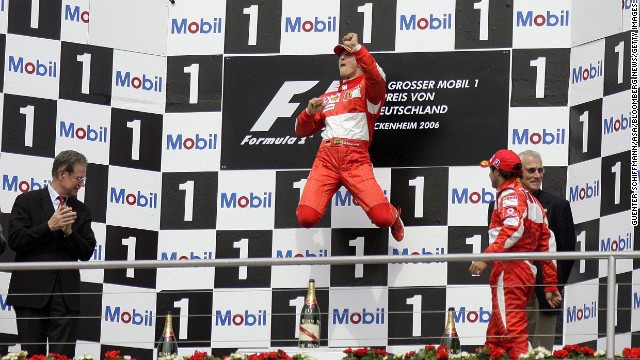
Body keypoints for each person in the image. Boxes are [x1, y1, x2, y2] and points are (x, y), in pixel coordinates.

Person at [294, 33, 404, 241]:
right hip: (325, 160)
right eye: (340, 56)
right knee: (306, 218)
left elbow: (377, 77)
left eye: (348, 55)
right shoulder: (327, 97)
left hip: (355, 159)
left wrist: (359, 49)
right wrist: (308, 112)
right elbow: (301, 131)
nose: (342, 58)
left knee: (382, 218)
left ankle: (395, 216)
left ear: (360, 62)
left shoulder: (369, 91)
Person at [469, 149, 562, 359]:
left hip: (510, 270)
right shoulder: (532, 200)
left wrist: (486, 257)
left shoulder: (509, 194)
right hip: (525, 272)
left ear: (498, 172)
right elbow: (547, 242)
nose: (489, 175)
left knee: (513, 335)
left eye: (491, 170)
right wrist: (550, 284)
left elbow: (513, 228)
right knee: (495, 338)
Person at [7, 150, 96, 357]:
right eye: (79, 178)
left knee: (63, 356)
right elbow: (15, 240)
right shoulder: (26, 201)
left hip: (66, 298)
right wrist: (48, 226)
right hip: (30, 295)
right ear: (62, 174)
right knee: (31, 355)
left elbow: (86, 252)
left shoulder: (81, 210)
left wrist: (69, 234)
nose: (81, 184)